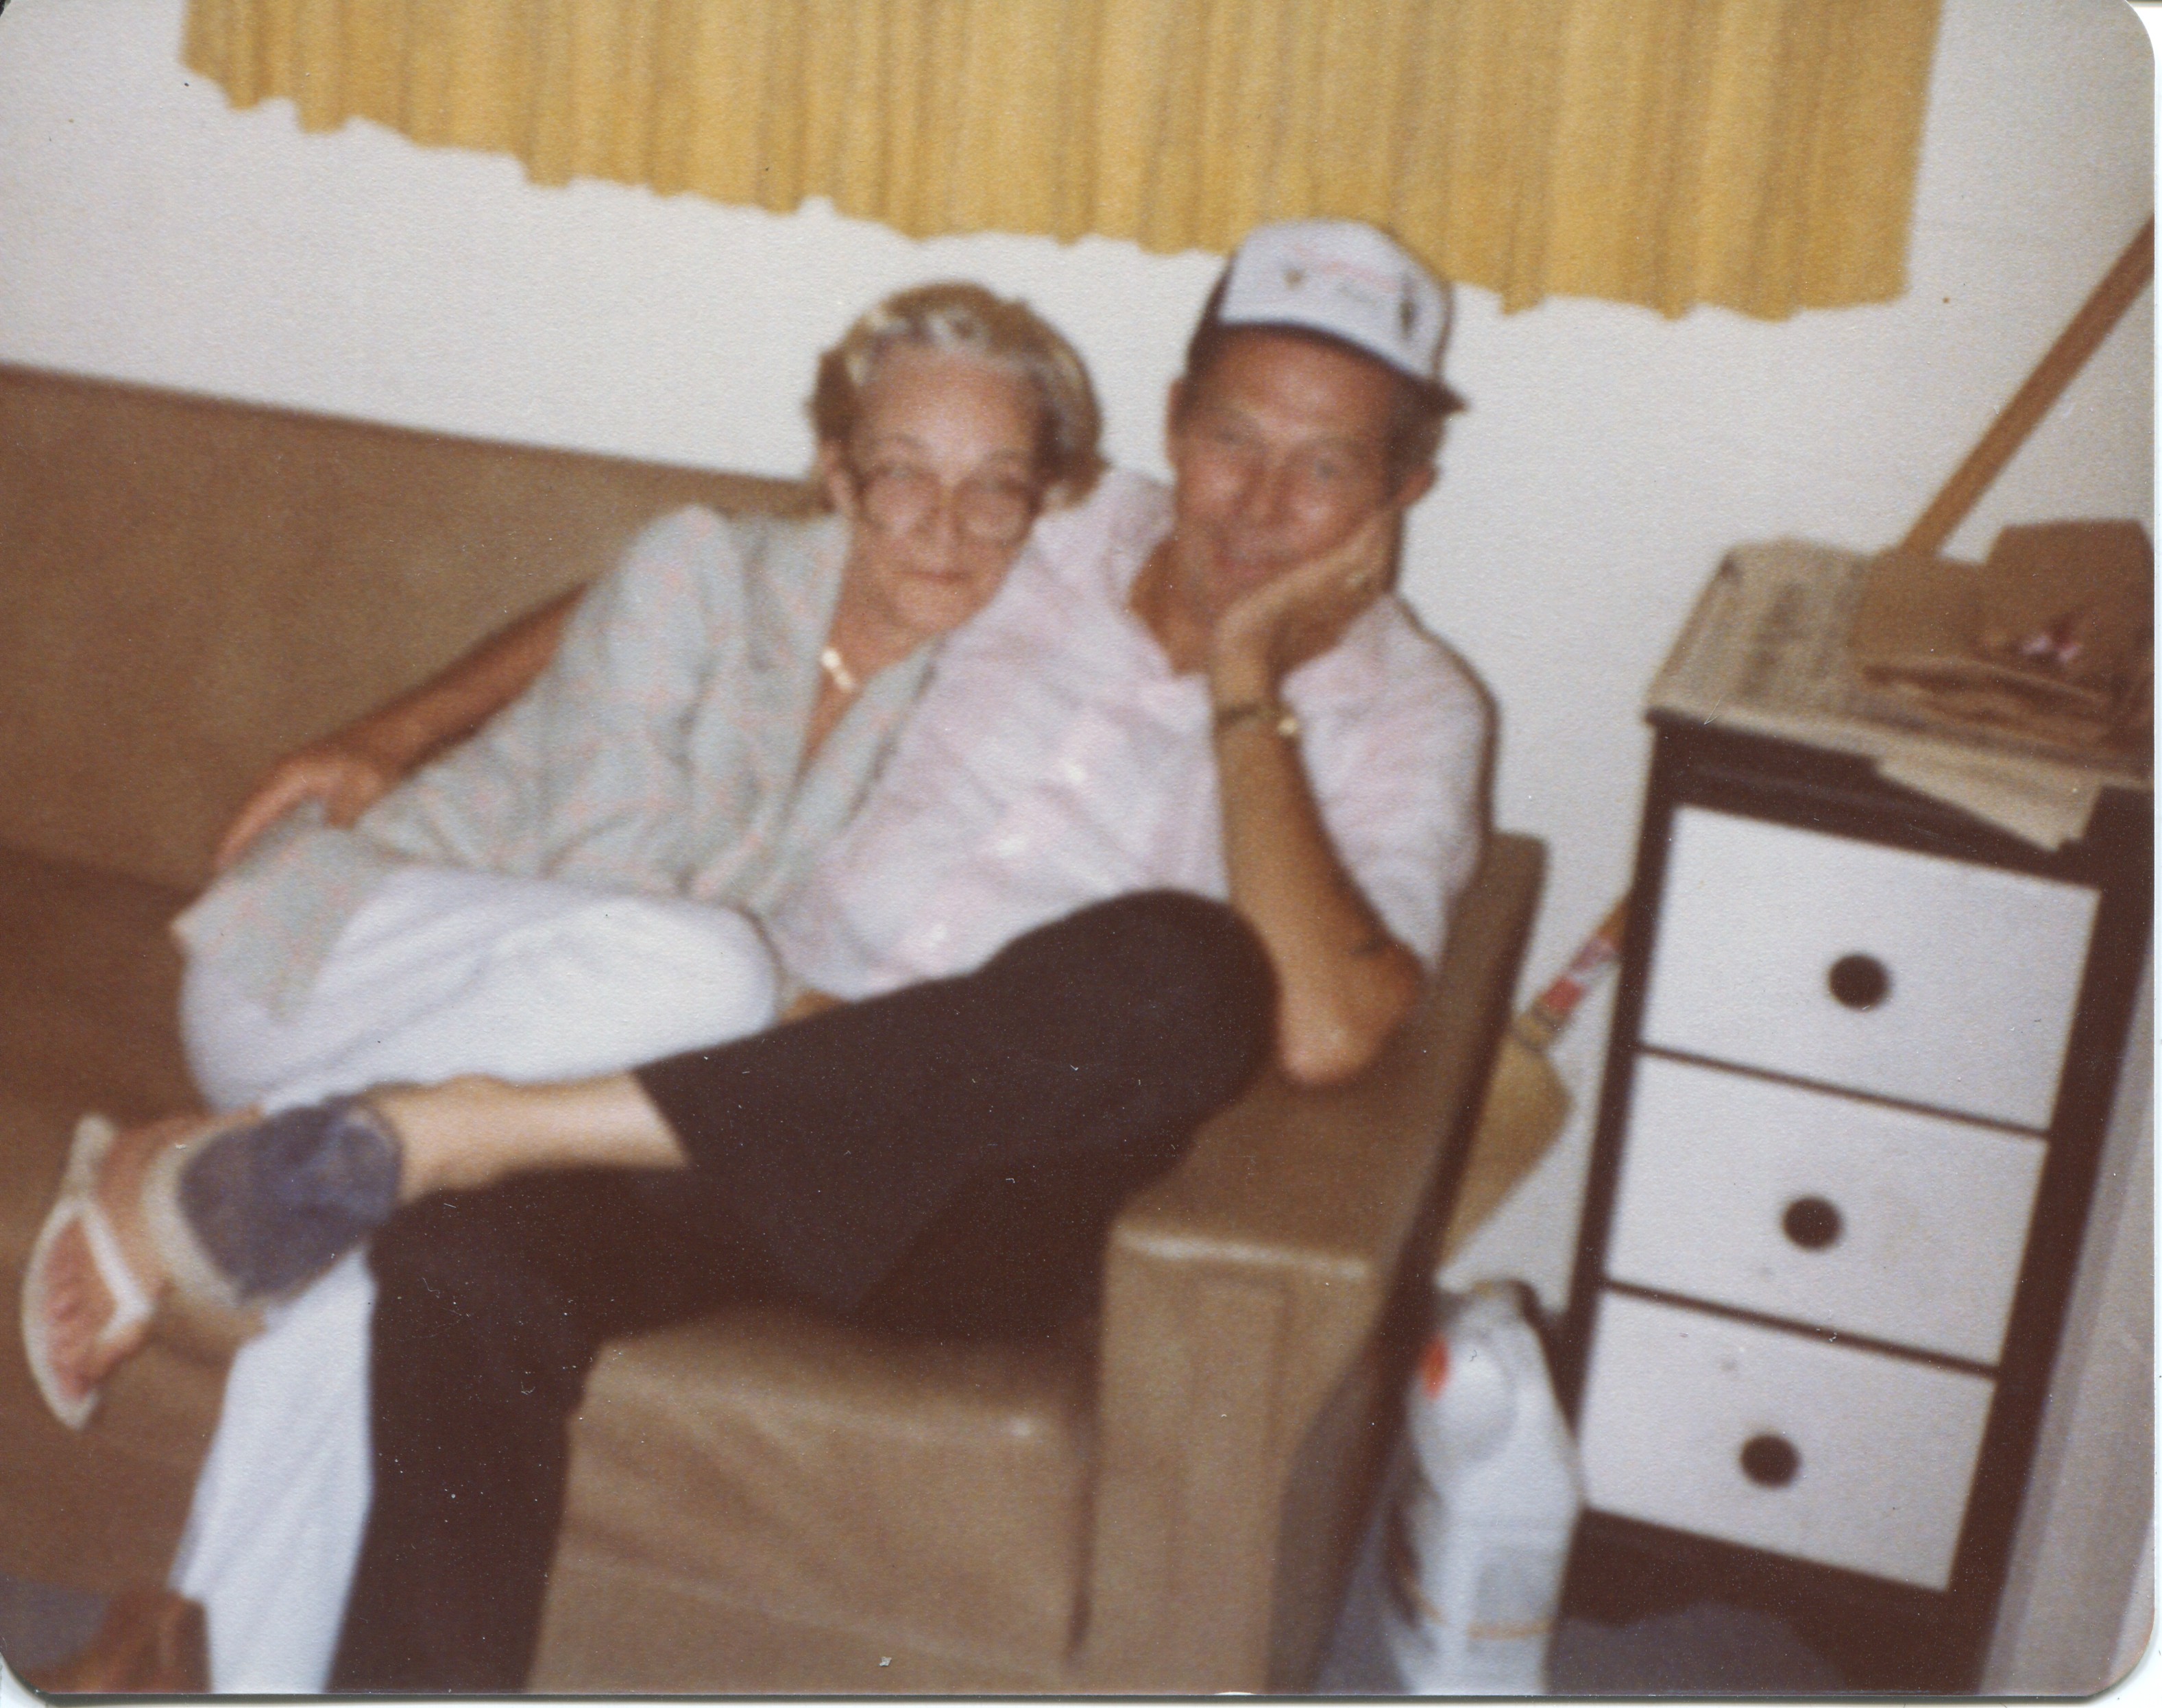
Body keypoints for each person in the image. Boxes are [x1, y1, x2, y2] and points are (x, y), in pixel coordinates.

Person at [34, 219, 1493, 1692]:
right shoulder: (1044, 522)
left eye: (1326, 467)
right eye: (1232, 438)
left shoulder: (1416, 715)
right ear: (1175, 422)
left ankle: (451, 1123)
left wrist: (1246, 679)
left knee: (1187, 966)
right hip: (728, 1083)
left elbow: (1324, 1030)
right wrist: (397, 732)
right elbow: (739, 570)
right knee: (451, 1267)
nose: (1257, 504)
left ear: (1403, 490)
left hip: (974, 1181)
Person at [23, 278, 1103, 1680]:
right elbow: (616, 880)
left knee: (387, 1285)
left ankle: (216, 1654)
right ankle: (209, 1162)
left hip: (489, 1088)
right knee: (706, 966)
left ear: (1043, 507)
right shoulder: (696, 569)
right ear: (837, 474)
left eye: (994, 488)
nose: (945, 527)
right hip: (321, 962)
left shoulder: (971, 716)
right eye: (903, 475)